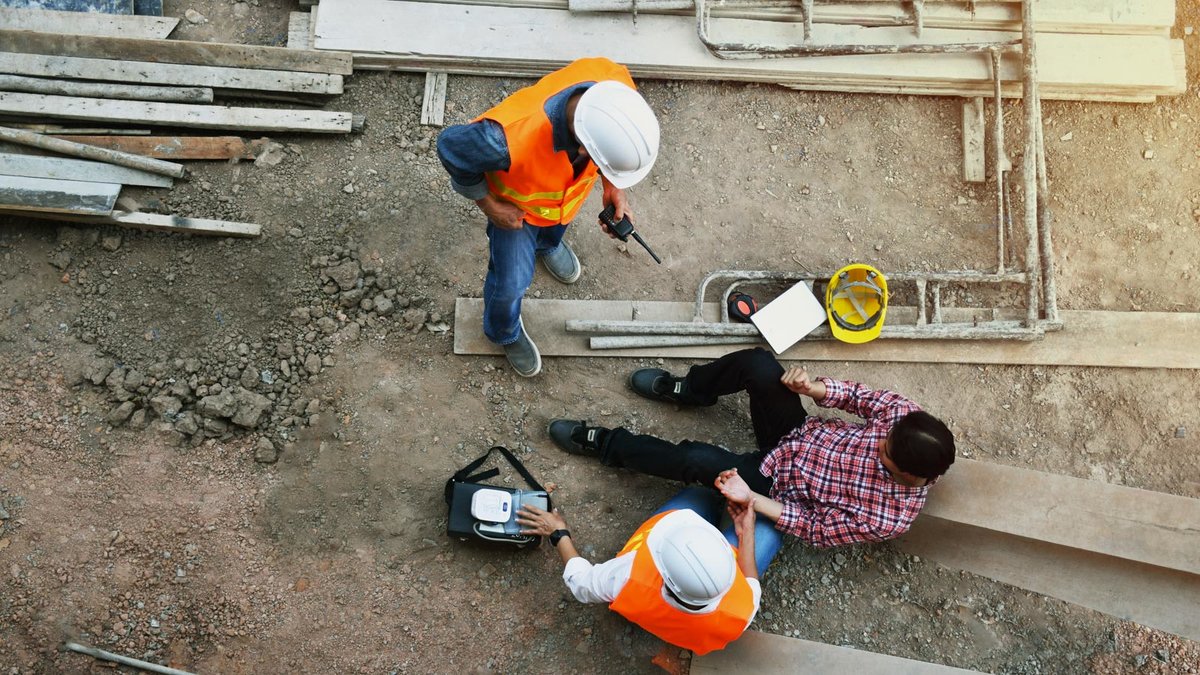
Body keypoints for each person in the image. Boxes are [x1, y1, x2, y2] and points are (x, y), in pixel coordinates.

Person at [546, 347, 956, 570]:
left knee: (697, 459)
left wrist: (751, 498)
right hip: (798, 434)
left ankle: (605, 445)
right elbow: (861, 398)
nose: (878, 442)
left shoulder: (889, 518)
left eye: (883, 454)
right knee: (758, 364)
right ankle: (690, 389)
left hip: (775, 484)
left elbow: (812, 526)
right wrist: (810, 388)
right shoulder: (905, 419)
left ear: (904, 474)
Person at [436, 57, 660, 377]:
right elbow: (450, 149)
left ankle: (546, 245)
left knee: (554, 229)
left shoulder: (614, 85)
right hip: (515, 213)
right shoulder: (503, 140)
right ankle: (503, 332)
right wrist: (492, 207)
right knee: (511, 284)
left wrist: (613, 187)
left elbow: (607, 145)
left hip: (559, 203)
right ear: (584, 147)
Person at [515, 487, 760, 656]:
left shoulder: (628, 575)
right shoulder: (741, 612)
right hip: (693, 628)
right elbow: (750, 581)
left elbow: (581, 583)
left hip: (650, 606)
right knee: (767, 528)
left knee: (698, 497)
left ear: (662, 572)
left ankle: (707, 498)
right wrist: (746, 531)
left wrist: (558, 532)